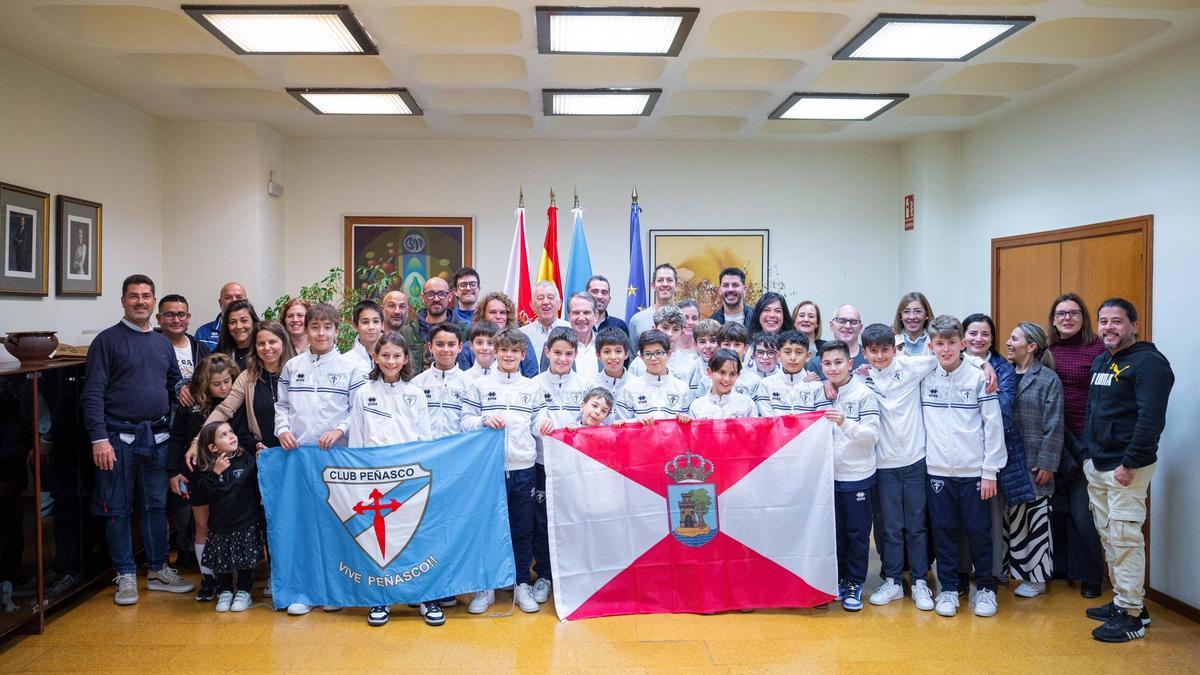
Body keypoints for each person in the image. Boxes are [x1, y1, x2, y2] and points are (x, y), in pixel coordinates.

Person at [81, 274, 194, 605]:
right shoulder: (107, 341)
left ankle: (158, 568)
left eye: (146, 296)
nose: (140, 301)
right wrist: (98, 439)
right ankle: (126, 574)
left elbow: (173, 381)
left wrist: (183, 389)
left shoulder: (161, 343)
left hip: (157, 438)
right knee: (117, 508)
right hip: (117, 439)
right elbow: (92, 394)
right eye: (134, 296)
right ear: (123, 301)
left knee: (155, 506)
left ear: (153, 301)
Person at [1082, 298, 1173, 643]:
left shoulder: (1150, 364)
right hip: (1098, 463)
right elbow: (1092, 411)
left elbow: (1151, 420)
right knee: (1109, 537)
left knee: (1124, 538)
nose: (1108, 327)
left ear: (1134, 325)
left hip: (1127, 466)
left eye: (1116, 321)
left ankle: (1131, 615)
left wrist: (1130, 462)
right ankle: (1125, 600)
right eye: (1103, 321)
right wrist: (1088, 454)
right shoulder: (1102, 361)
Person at [274, 302, 364, 616]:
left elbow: (358, 411)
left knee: (336, 525)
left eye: (327, 327)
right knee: (304, 525)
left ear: (337, 331)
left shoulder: (351, 368)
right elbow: (282, 405)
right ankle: (305, 590)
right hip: (299, 460)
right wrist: (283, 429)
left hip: (336, 459)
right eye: (315, 327)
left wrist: (339, 430)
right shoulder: (292, 366)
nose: (321, 333)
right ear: (306, 329)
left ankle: (336, 590)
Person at [347, 332, 435, 627]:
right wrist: (360, 477)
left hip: (409, 479)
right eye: (385, 355)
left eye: (397, 356)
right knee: (381, 542)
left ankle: (424, 596)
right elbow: (357, 441)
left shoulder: (415, 393)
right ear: (375, 357)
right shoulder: (364, 393)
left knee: (414, 538)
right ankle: (380, 598)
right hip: (376, 478)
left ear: (406, 358)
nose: (391, 361)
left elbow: (424, 439)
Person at [922, 315, 1006, 618]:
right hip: (937, 471)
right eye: (939, 343)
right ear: (931, 346)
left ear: (962, 344)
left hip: (974, 472)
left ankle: (985, 588)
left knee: (979, 532)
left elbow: (993, 426)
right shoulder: (924, 374)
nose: (945, 349)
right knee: (943, 532)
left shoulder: (978, 377)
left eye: (951, 342)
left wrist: (989, 471)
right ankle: (947, 589)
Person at [462, 328, 545, 614]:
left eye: (515, 351)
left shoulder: (532, 387)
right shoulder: (479, 385)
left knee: (522, 528)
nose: (509, 355)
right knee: (488, 527)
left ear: (523, 355)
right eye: (504, 350)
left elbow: (538, 422)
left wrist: (544, 426)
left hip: (524, 467)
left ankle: (521, 583)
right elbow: (465, 422)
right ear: (495, 352)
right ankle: (486, 586)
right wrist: (483, 420)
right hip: (489, 469)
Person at [859, 324, 937, 610]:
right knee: (891, 527)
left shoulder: (911, 367)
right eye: (873, 351)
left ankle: (919, 582)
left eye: (884, 350)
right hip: (883, 465)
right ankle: (892, 580)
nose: (879, 356)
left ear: (895, 349)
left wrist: (984, 366)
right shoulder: (862, 379)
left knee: (916, 526)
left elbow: (946, 357)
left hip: (915, 460)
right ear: (865, 353)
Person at [166, 354, 247, 602]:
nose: (224, 388)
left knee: (231, 523)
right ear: (204, 383)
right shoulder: (191, 402)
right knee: (203, 525)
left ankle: (234, 578)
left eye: (227, 381)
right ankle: (208, 578)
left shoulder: (238, 400)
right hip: (199, 472)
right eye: (216, 384)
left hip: (233, 473)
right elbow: (177, 437)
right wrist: (173, 471)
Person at [961, 312, 1032, 589]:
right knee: (960, 520)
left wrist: (967, 416)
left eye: (985, 334)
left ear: (992, 339)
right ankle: (961, 572)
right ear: (963, 337)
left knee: (990, 519)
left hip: (991, 455)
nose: (978, 339)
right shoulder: (951, 363)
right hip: (957, 456)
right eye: (973, 333)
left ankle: (989, 574)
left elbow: (1002, 409)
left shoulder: (1003, 369)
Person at [1046, 293, 1105, 598]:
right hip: (1054, 437)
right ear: (1053, 319)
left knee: (1084, 512)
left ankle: (1091, 575)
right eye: (1061, 313)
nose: (1067, 318)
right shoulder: (1047, 350)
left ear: (1084, 318)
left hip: (1086, 439)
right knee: (1057, 507)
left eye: (1074, 313)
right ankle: (1060, 567)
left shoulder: (1098, 349)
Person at [815, 341, 880, 612]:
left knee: (857, 534)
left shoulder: (864, 394)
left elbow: (871, 436)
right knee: (836, 534)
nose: (833, 368)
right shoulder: (821, 392)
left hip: (858, 476)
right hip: (828, 477)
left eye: (838, 362)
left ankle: (854, 583)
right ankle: (839, 580)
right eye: (827, 363)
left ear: (849, 363)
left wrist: (844, 422)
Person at [531, 327, 593, 606]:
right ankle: (545, 575)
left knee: (576, 518)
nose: (562, 359)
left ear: (576, 354)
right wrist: (539, 426)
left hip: (575, 465)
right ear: (547, 352)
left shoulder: (585, 385)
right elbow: (530, 420)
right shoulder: (534, 384)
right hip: (542, 463)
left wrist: (581, 426)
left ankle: (575, 575)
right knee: (543, 520)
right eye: (557, 353)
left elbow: (596, 420)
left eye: (568, 354)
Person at [1003, 322, 1065, 599]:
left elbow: (1055, 425)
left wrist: (1048, 462)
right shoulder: (1003, 373)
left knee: (1035, 519)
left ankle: (1036, 578)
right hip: (1005, 459)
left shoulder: (1048, 379)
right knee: (1009, 518)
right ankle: (1004, 571)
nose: (1008, 343)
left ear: (1031, 346)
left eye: (1014, 338)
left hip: (1034, 460)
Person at [192, 421, 263, 613]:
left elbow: (258, 481)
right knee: (222, 562)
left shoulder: (246, 459)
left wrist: (262, 459)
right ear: (212, 447)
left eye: (231, 431)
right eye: (223, 435)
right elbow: (203, 490)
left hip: (245, 522)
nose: (231, 436)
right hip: (220, 525)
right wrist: (216, 472)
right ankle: (225, 591)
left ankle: (244, 592)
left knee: (245, 561)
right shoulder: (208, 467)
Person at [615, 330, 693, 423]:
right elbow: (620, 425)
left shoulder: (682, 389)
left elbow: (690, 425)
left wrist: (686, 419)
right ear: (641, 356)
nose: (653, 358)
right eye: (648, 354)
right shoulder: (629, 389)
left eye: (658, 353)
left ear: (669, 354)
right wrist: (636, 422)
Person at [411, 323, 474, 439]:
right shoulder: (417, 383)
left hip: (457, 446)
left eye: (451, 344)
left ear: (460, 347)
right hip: (425, 447)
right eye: (440, 344)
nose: (446, 349)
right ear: (430, 347)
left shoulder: (470, 384)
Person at [629, 306, 705, 399]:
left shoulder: (691, 364)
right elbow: (629, 395)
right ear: (654, 329)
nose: (669, 334)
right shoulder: (639, 363)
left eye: (675, 329)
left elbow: (695, 398)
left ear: (682, 332)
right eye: (665, 328)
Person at [759, 331, 825, 419]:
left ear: (808, 356)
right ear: (778, 356)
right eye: (787, 352)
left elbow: (821, 419)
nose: (793, 358)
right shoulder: (766, 385)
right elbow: (767, 420)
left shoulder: (817, 386)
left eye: (799, 352)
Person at [473, 291, 539, 377]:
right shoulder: (475, 340)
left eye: (502, 312)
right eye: (493, 312)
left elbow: (532, 373)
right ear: (483, 314)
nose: (498, 316)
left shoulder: (521, 338)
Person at [417, 277, 471, 370]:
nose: (436, 299)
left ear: (449, 297)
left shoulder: (464, 331)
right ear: (423, 298)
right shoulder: (409, 331)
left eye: (442, 294)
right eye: (431, 294)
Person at [686, 350, 757, 419]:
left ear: (738, 375)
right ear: (710, 372)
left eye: (732, 374)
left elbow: (756, 426)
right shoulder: (697, 407)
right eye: (722, 372)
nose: (727, 379)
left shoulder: (747, 404)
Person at [810, 305, 866, 376]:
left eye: (853, 322)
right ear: (831, 325)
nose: (847, 326)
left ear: (860, 328)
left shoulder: (873, 358)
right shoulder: (817, 363)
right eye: (842, 321)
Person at [521, 281, 570, 361]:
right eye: (540, 298)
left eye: (550, 297)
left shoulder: (571, 329)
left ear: (559, 304)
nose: (546, 302)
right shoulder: (522, 334)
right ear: (532, 306)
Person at [628, 264, 678, 340]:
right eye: (660, 280)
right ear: (653, 286)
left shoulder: (686, 317)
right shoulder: (637, 320)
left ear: (677, 285)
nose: (665, 284)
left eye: (669, 280)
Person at [195, 282, 248, 351]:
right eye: (228, 298)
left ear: (246, 302)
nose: (234, 301)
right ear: (220, 302)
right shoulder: (203, 333)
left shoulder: (256, 330)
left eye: (239, 297)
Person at [382, 289, 424, 370]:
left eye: (402, 306)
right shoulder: (373, 337)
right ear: (382, 309)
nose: (397, 311)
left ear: (407, 311)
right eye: (391, 306)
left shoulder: (416, 336)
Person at [214, 299, 259, 370]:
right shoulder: (217, 356)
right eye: (232, 322)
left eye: (244, 320)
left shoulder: (264, 351)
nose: (238, 326)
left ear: (253, 322)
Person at [344, 300, 384, 374]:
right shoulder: (345, 361)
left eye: (376, 321)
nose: (371, 327)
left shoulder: (392, 358)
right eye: (365, 322)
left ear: (382, 325)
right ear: (355, 326)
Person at [565, 293, 600, 378]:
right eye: (576, 313)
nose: (581, 318)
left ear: (596, 316)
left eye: (586, 313)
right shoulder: (554, 345)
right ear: (569, 316)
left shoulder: (606, 344)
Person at [595, 329, 632, 397]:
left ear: (626, 354)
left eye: (618, 351)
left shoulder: (637, 384)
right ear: (598, 355)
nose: (613, 357)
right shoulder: (592, 385)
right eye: (607, 352)